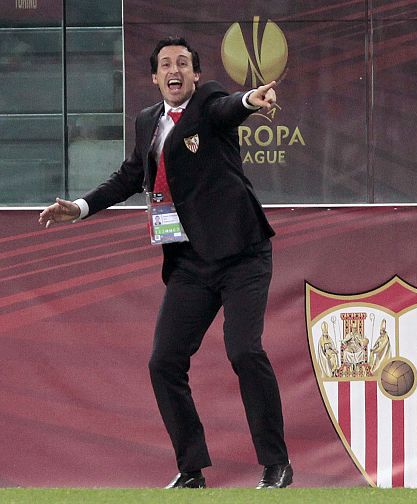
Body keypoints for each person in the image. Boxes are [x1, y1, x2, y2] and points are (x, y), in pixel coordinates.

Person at [38, 36, 292, 490]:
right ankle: (191, 470)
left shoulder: (209, 100)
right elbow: (129, 177)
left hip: (241, 253)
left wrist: (252, 99)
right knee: (164, 362)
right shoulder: (146, 121)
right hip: (190, 263)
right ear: (155, 77)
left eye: (183, 63)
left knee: (244, 350)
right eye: (164, 65)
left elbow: (229, 106)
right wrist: (77, 208)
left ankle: (276, 465)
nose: (174, 70)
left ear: (195, 73)